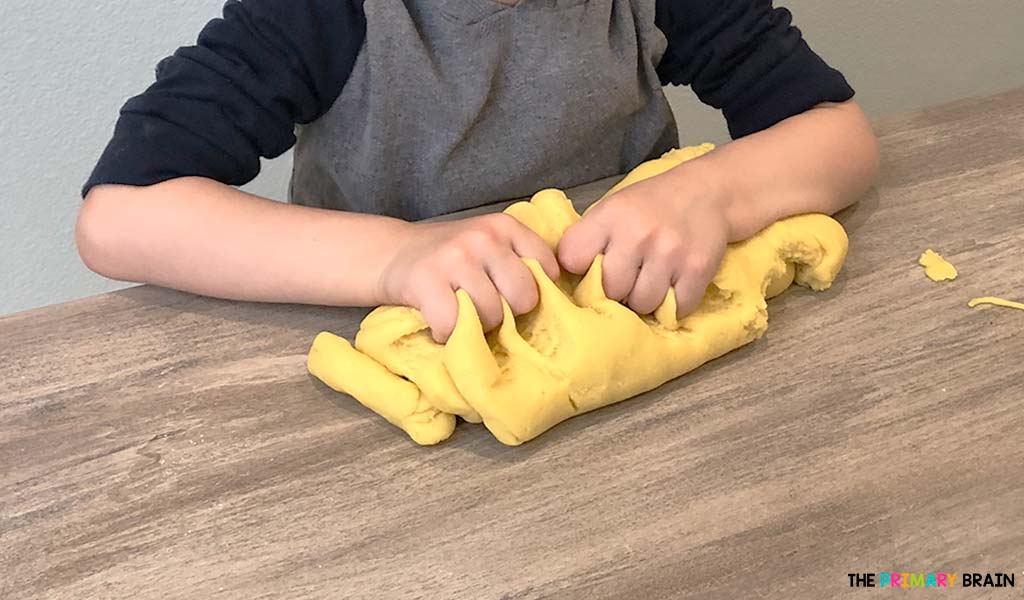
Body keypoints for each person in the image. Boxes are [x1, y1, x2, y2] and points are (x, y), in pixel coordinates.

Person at [76, 0, 879, 342]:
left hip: (628, 320)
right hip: (402, 341)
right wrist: (394, 256)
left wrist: (707, 191)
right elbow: (120, 216)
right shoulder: (319, 13)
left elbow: (836, 133)